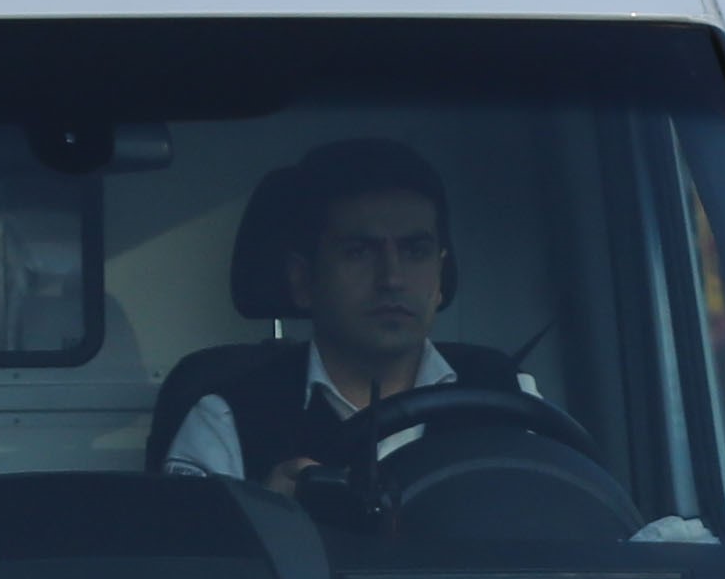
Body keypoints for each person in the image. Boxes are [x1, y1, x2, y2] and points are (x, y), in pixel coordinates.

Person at [157, 139, 535, 495]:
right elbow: (193, 545)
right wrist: (265, 514)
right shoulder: (226, 419)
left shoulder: (507, 394)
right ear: (303, 280)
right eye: (359, 252)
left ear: (440, 276)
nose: (392, 278)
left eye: (415, 251)